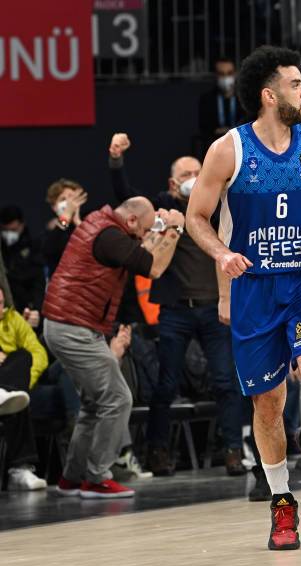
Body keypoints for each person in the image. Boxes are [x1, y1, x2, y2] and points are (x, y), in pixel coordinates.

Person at [187, 46, 301, 550]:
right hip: (255, 291)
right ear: (269, 95)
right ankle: (282, 504)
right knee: (267, 404)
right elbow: (197, 216)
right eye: (295, 84)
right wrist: (222, 254)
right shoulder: (228, 150)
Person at [108, 133, 248, 477]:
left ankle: (232, 450)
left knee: (226, 383)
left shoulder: (217, 206)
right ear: (173, 183)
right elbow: (127, 200)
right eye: (187, 175)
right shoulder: (164, 211)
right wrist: (116, 162)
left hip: (214, 308)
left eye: (199, 172)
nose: (195, 179)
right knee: (165, 385)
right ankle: (158, 451)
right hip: (175, 311)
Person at [42, 197, 184, 499]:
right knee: (118, 399)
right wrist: (174, 229)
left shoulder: (102, 223)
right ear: (131, 221)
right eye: (143, 230)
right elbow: (153, 267)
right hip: (73, 327)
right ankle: (96, 477)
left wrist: (157, 231)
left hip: (71, 324)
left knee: (95, 404)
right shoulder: (110, 237)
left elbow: (144, 253)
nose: (143, 237)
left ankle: (72, 477)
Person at [0, 286, 49, 490]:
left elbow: (39, 353)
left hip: (12, 383)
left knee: (23, 357)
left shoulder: (13, 320)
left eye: (1, 304)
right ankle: (19, 469)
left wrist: (21, 385)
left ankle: (6, 393)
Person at [0, 206, 45, 318]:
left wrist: (36, 308)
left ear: (22, 224)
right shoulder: (2, 249)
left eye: (13, 230)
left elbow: (38, 281)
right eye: (5, 230)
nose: (9, 234)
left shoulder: (33, 247)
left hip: (26, 306)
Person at [42, 178, 89, 278]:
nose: (69, 203)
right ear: (54, 206)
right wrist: (66, 216)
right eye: (63, 199)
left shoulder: (89, 222)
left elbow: (94, 244)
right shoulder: (51, 232)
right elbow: (50, 250)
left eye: (72, 198)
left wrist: (77, 221)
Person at [198, 58, 245, 153]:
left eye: (229, 73)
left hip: (241, 145)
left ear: (235, 74)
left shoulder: (244, 98)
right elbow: (204, 127)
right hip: (215, 146)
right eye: (221, 74)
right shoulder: (206, 99)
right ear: (216, 75)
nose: (226, 78)